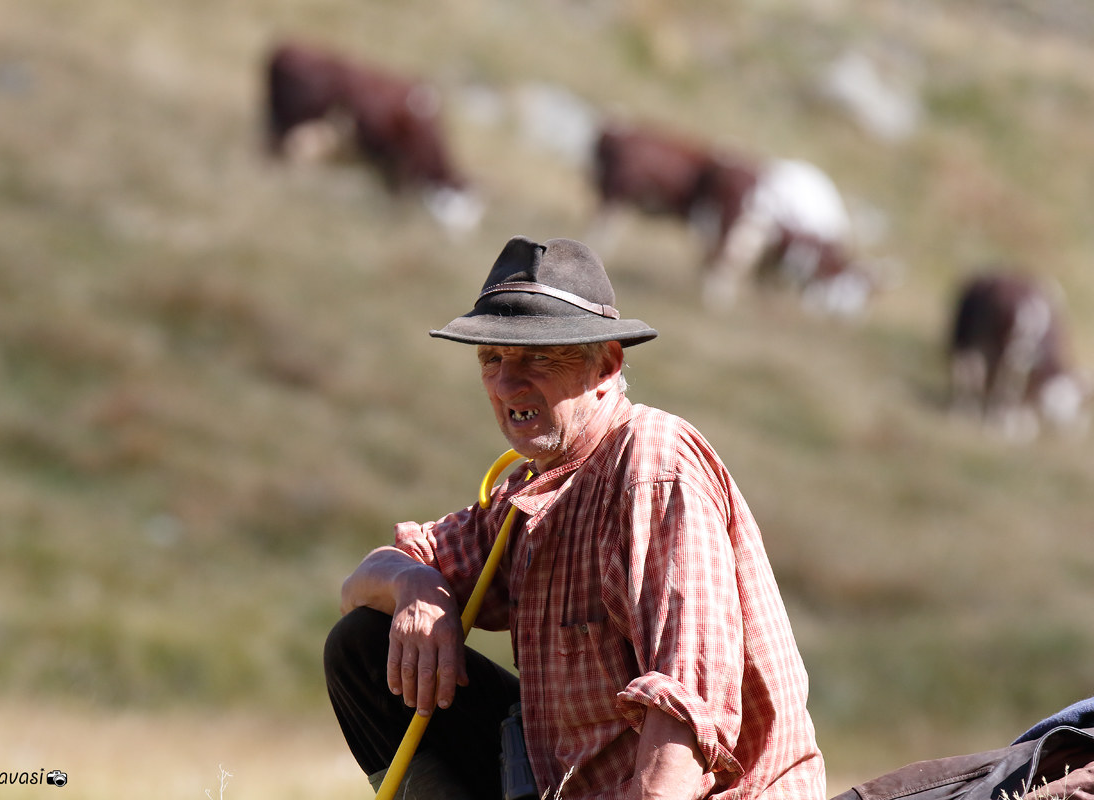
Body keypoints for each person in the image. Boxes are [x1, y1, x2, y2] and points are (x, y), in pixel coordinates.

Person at [324, 235, 826, 799]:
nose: (507, 382)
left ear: (606, 366)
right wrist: (414, 584)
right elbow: (360, 586)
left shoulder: (651, 461)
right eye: (492, 358)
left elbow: (689, 699)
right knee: (361, 646)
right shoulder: (529, 493)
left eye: (538, 356)